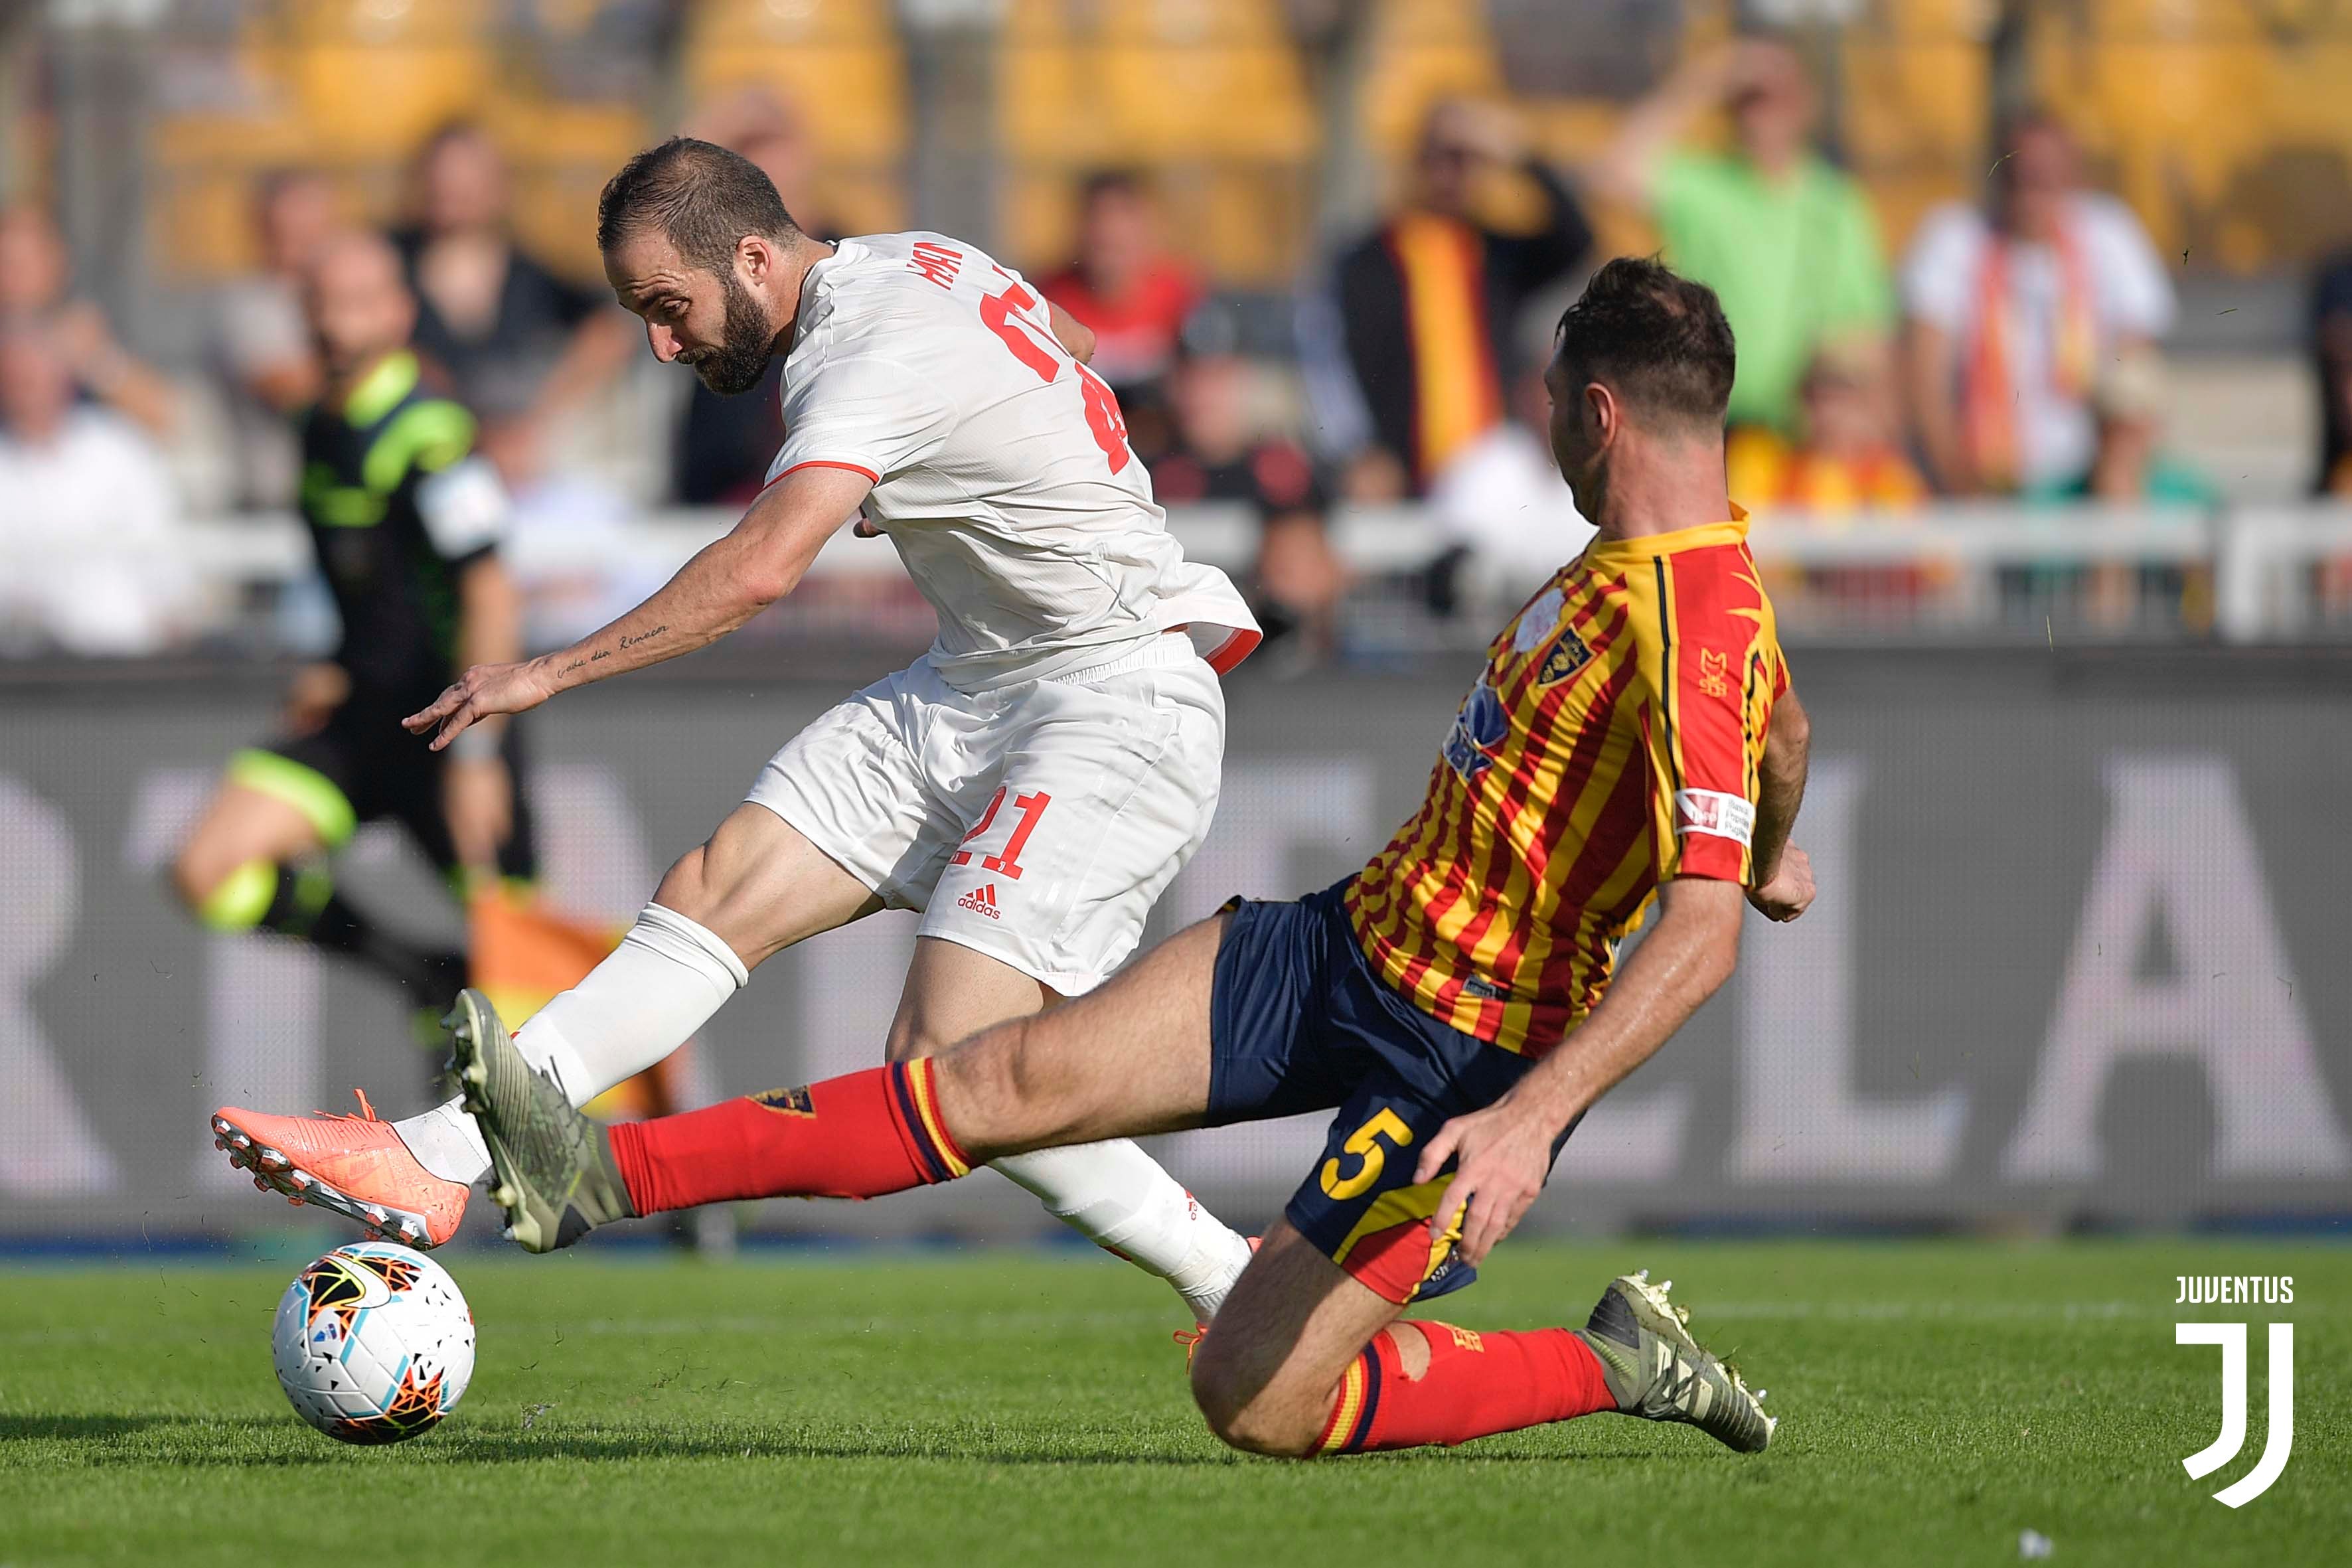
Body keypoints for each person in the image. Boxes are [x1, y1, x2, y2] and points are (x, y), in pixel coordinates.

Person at [439, 258, 1816, 1463]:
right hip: (1342, 943)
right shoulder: (1642, 566)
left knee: (1257, 1398)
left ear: (1598, 411)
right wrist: (1774, 840)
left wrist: (1525, 1122)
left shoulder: (1687, 613)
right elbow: (1784, 724)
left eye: (1548, 409)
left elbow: (1695, 939)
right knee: (994, 1078)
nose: (1544, 438)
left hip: (1466, 1054)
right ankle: (596, 1171)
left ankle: (1614, 1359)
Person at [212, 139, 1266, 1325]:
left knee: (953, 1065)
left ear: (756, 257)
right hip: (976, 679)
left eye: (671, 309)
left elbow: (760, 570)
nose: (664, 345)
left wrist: (548, 671)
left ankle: (1244, 1282)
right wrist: (957, 455)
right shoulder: (920, 259)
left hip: (1114, 697)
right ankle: (446, 1149)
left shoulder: (856, 351)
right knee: (717, 884)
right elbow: (1063, 345)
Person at [172, 232, 534, 1045]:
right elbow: (375, 589)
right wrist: (340, 665)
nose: (339, 325)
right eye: (323, 306)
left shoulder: (432, 435)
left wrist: (480, 751)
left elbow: (490, 590)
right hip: (367, 717)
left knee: (526, 984)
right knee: (207, 868)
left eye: (359, 304)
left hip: (454, 724)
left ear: (400, 313)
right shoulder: (317, 427)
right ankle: (419, 971)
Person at [1589, 35, 1893, 440]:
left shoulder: (1836, 205)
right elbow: (1611, 172)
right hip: (1713, 423)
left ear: (1804, 102)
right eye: (1748, 99)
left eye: (1774, 97)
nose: (1761, 115)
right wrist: (1711, 77)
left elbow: (1865, 331)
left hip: (1802, 434)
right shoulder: (1706, 186)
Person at [1314, 99, 1593, 498]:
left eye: (1466, 159)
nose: (1451, 173)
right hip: (1399, 481)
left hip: (1491, 484)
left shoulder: (1494, 255)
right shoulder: (1368, 261)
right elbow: (1329, 363)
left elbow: (1576, 237)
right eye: (1440, 157)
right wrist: (1359, 451)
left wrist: (1522, 152)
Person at [1901, 111, 2175, 497]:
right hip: (1981, 475)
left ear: (2074, 179)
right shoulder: (1954, 238)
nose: (2031, 195)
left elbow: (2133, 371)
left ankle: (2109, 551)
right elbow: (1925, 381)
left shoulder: (2110, 235)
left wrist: (2111, 472)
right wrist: (1962, 482)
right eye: (2017, 178)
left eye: (2046, 179)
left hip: (2087, 476)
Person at [390, 123, 634, 487]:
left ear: (497, 185)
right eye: (443, 176)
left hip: (525, 467)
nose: (452, 189)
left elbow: (610, 330)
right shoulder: (390, 267)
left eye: (467, 177)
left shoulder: (532, 274)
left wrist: (538, 419)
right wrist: (469, 426)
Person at [1149, 307, 1346, 659]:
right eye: (1193, 377)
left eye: (1218, 378)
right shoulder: (1146, 471)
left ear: (1242, 380)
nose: (1204, 394)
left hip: (1277, 662)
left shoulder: (1283, 470)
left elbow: (1320, 566)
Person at [0, 314, 193, 655]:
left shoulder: (119, 450)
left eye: (34, 377)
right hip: (22, 669)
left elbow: (166, 563)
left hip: (123, 657)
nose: (26, 389)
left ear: (63, 378)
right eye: (15, 379)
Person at [1036, 171, 1204, 462]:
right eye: (1102, 243)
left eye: (1118, 245)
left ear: (1145, 232)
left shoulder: (1180, 297)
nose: (1109, 248)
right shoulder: (1050, 301)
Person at [0, 204, 182, 441]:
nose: (14, 276)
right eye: (7, 262)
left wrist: (98, 361)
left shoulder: (82, 334)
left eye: (25, 262)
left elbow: (163, 417)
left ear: (57, 263)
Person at [210, 169, 337, 509]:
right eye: (288, 233)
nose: (301, 246)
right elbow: (290, 390)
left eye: (311, 231)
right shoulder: (246, 306)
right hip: (276, 505)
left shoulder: (337, 298)